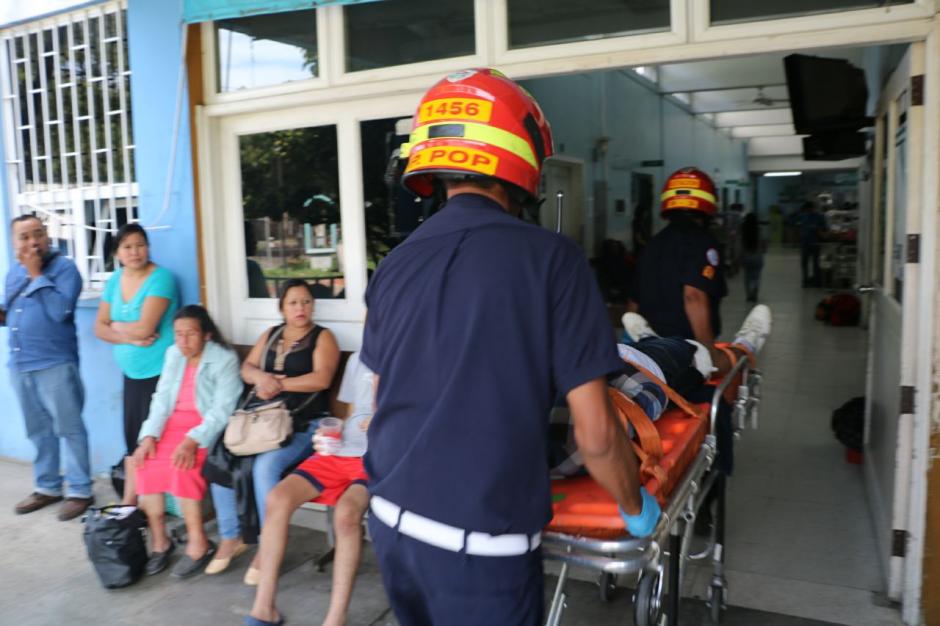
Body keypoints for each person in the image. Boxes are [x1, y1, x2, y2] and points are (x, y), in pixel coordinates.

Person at [361, 68, 656, 626]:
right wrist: (636, 506)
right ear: (523, 158)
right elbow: (595, 436)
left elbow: (382, 397)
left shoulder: (395, 265)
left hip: (391, 528)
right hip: (479, 552)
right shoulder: (553, 261)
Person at [209, 278, 340, 582]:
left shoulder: (322, 337)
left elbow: (321, 379)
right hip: (262, 419)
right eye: (293, 302)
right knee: (221, 454)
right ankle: (232, 536)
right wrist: (259, 377)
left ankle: (270, 547)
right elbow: (247, 368)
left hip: (304, 422)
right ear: (281, 307)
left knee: (266, 466)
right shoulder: (270, 335)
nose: (301, 308)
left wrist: (275, 383)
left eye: (306, 301)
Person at [245, 351, 373, 626]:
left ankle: (335, 618)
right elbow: (349, 413)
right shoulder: (359, 359)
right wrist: (332, 433)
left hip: (378, 456)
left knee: (346, 515)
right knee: (278, 497)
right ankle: (264, 608)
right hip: (339, 452)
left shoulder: (414, 357)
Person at [131, 305, 242, 578]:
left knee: (182, 467)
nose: (183, 341)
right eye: (178, 334)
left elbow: (222, 410)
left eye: (190, 334)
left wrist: (193, 439)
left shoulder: (224, 359)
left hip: (203, 431)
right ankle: (160, 541)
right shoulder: (173, 355)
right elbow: (161, 398)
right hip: (170, 428)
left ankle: (198, 543)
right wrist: (149, 435)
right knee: (145, 463)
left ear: (206, 334)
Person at [5, 214, 93, 521]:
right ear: (15, 242)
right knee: (38, 430)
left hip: (55, 363)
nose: (32, 242)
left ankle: (81, 489)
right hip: (21, 364)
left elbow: (60, 312)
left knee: (69, 428)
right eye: (25, 237)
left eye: (38, 234)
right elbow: (9, 312)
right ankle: (48, 486)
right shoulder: (13, 272)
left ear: (48, 236)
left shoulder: (65, 269)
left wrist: (35, 273)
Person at [94, 223, 179, 503]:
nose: (135, 251)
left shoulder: (161, 278)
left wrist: (116, 327)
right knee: (134, 439)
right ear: (117, 252)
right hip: (131, 374)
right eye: (127, 246)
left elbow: (146, 328)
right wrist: (127, 334)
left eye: (140, 244)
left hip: (160, 373)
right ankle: (138, 504)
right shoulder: (114, 281)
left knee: (157, 439)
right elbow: (99, 328)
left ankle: (160, 505)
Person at [632, 167, 732, 375]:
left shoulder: (652, 245)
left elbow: (633, 302)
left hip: (651, 350)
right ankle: (748, 342)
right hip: (687, 352)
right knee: (737, 359)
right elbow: (693, 296)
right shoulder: (703, 242)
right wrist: (709, 355)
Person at [797, 201, 827, 287]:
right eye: (806, 210)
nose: (808, 211)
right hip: (805, 244)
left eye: (808, 209)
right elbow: (792, 221)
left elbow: (824, 229)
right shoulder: (803, 216)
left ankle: (816, 281)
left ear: (812, 208)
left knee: (815, 263)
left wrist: (819, 230)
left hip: (814, 243)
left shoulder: (819, 217)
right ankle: (805, 280)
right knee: (804, 263)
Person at [740, 212, 765, 303]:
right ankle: (754, 293)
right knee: (756, 277)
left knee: (747, 277)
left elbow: (740, 244)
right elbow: (763, 243)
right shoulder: (759, 230)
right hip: (757, 256)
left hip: (746, 256)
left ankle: (748, 294)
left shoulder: (743, 230)